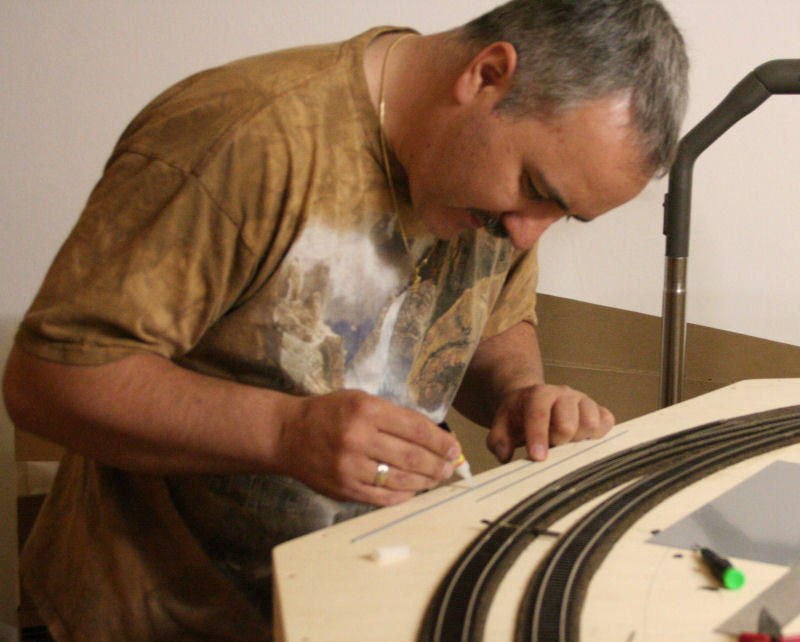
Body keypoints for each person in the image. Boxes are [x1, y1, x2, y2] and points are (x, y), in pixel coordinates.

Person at [3, 0, 688, 639]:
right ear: (486, 76)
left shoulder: (500, 199)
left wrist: (522, 395)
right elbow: (45, 382)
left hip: (353, 602)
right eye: (535, 190)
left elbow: (493, 319)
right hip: (159, 612)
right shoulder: (245, 138)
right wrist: (284, 432)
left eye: (561, 216)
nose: (528, 233)